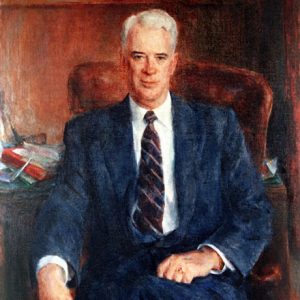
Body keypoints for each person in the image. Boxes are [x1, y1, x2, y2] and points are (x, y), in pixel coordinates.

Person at [32, 9, 272, 300]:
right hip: (118, 282)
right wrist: (51, 271)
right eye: (138, 56)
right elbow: (65, 205)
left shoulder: (217, 126)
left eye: (160, 58)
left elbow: (254, 209)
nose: (150, 69)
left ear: (173, 64)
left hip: (197, 282)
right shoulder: (89, 133)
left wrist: (208, 257)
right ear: (123, 63)